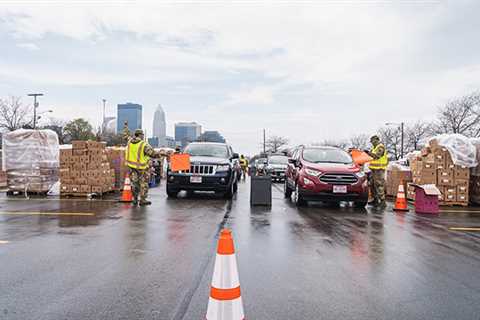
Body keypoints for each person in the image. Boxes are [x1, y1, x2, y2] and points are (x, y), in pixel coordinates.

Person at [123, 121, 167, 206]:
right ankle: (142, 200)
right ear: (140, 135)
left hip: (131, 167)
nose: (143, 136)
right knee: (143, 184)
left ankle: (135, 199)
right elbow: (153, 154)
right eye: (142, 135)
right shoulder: (143, 144)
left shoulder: (129, 141)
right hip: (142, 168)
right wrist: (163, 154)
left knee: (134, 184)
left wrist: (125, 126)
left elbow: (126, 135)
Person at [365, 135, 388, 208]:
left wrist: (368, 152)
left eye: (372, 141)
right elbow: (370, 157)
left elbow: (376, 156)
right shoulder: (373, 148)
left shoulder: (380, 147)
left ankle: (382, 201)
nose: (371, 142)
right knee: (372, 184)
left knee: (379, 184)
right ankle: (375, 199)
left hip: (379, 169)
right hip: (373, 169)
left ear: (376, 140)